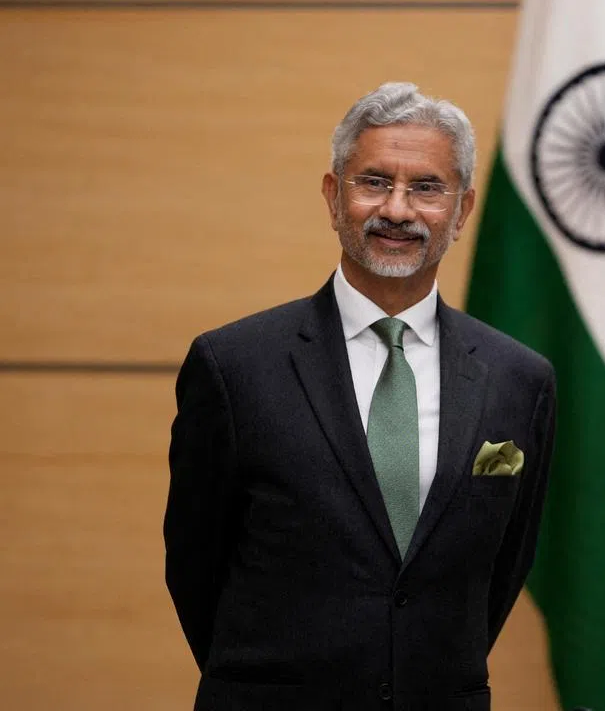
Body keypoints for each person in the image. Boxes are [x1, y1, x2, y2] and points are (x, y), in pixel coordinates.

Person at [163, 82, 557, 710]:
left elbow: (505, 567)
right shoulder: (235, 366)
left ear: (462, 210)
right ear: (332, 195)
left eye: (426, 188)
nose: (397, 210)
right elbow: (194, 564)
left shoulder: (519, 379)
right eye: (373, 181)